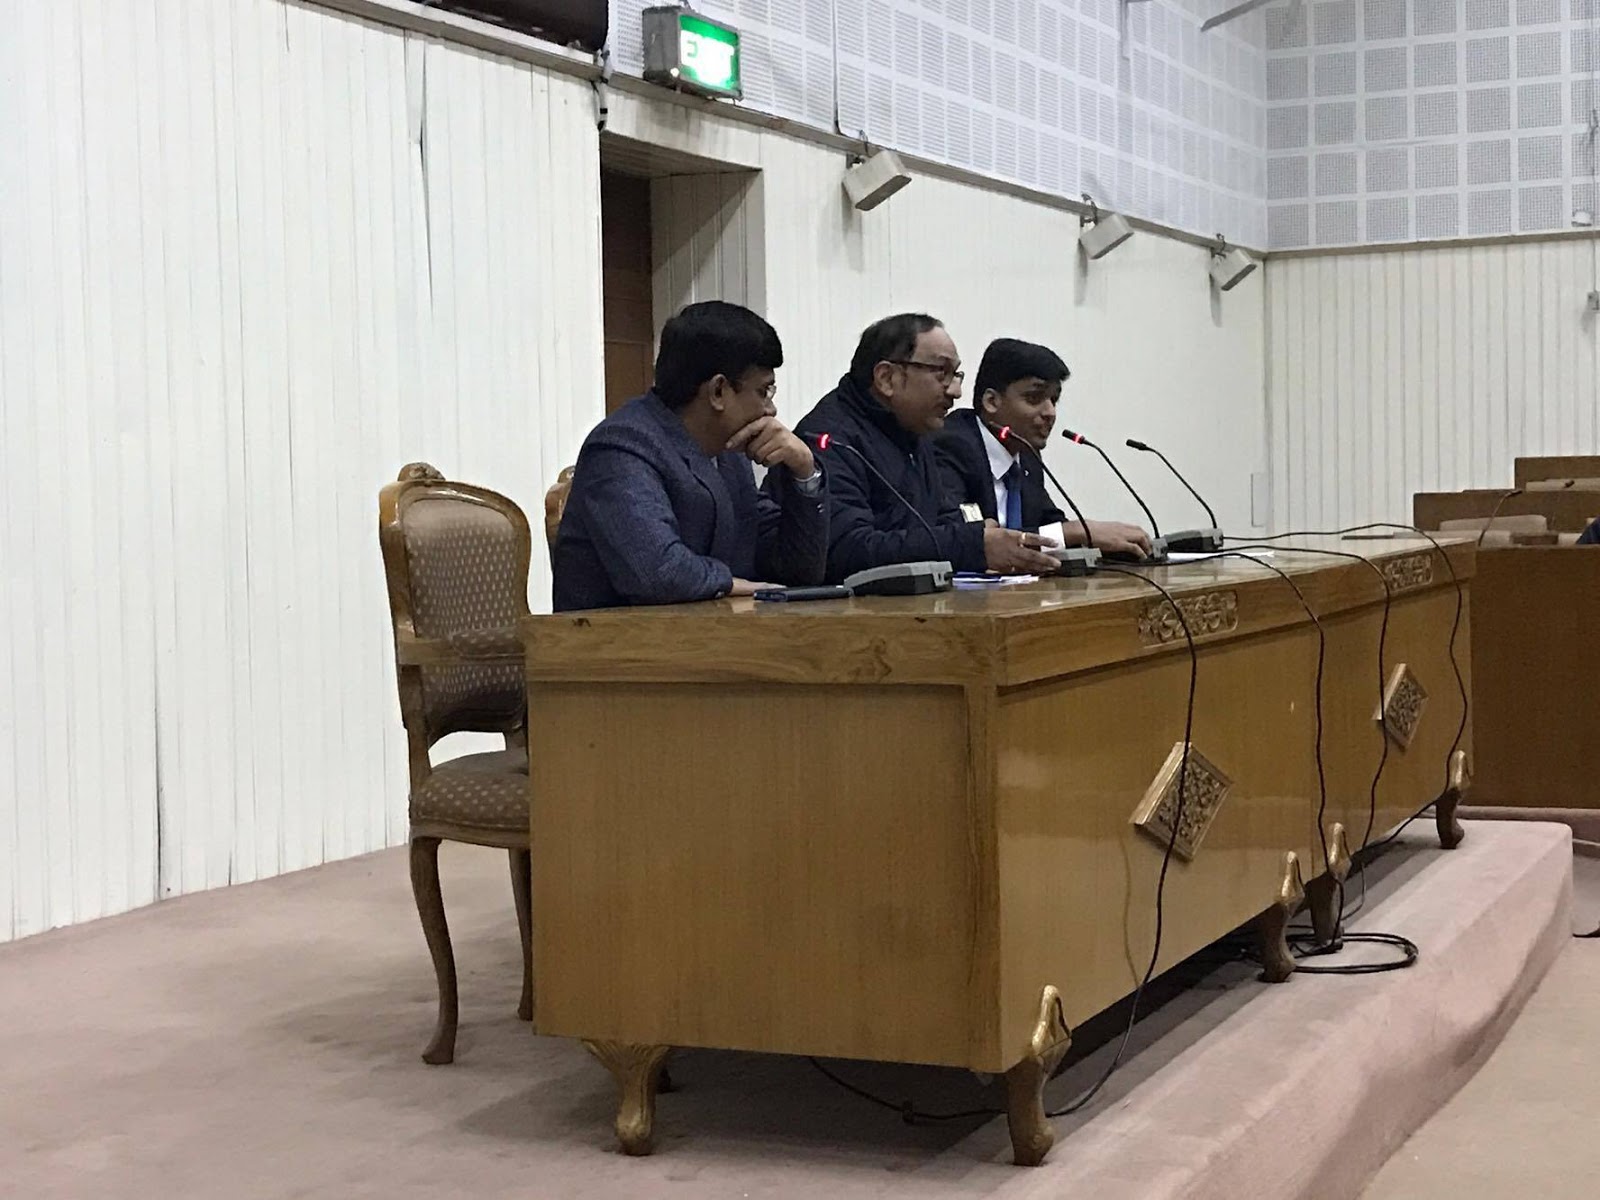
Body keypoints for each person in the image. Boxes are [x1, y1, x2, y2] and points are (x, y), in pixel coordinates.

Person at [552, 301, 827, 611]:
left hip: (706, 632)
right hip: (615, 638)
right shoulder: (621, 447)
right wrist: (732, 584)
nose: (771, 410)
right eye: (764, 391)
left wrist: (805, 473)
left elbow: (797, 572)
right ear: (718, 391)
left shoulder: (730, 454)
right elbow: (658, 572)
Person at [790, 313, 1061, 581]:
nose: (955, 391)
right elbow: (847, 551)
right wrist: (971, 546)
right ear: (886, 378)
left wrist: (978, 533)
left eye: (956, 375)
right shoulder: (830, 439)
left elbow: (938, 521)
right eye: (941, 373)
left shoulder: (912, 432)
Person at [932, 337, 1153, 559]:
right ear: (991, 401)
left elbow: (1050, 524)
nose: (1050, 412)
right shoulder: (951, 444)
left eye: (1054, 400)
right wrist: (1076, 532)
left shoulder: (1026, 455)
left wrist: (1104, 542)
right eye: (1034, 398)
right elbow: (958, 538)